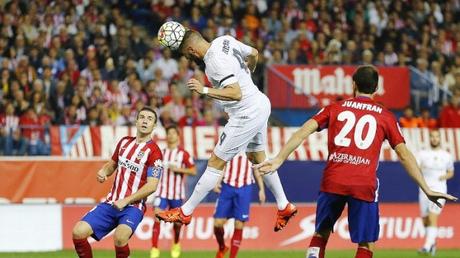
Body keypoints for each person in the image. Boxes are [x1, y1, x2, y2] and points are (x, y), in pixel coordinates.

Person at [256, 66, 457, 258]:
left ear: (353, 85)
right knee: (366, 244)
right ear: (376, 89)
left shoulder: (334, 108)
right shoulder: (386, 117)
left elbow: (303, 131)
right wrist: (426, 188)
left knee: (320, 234)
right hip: (363, 184)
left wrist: (279, 159)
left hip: (333, 181)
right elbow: (404, 154)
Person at [156, 25, 297, 232]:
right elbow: (254, 54)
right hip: (260, 102)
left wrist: (204, 89)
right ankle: (284, 206)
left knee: (216, 162)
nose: (188, 59)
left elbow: (235, 93)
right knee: (258, 158)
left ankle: (185, 212)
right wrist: (250, 69)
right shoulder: (225, 40)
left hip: (245, 112)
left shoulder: (213, 62)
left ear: (192, 51)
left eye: (187, 55)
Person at [72, 107, 163, 258]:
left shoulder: (155, 152)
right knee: (78, 232)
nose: (145, 121)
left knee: (120, 238)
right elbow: (112, 165)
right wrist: (103, 172)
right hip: (111, 203)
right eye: (142, 117)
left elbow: (152, 185)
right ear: (136, 121)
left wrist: (126, 200)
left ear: (154, 126)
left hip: (133, 207)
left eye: (149, 119)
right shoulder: (124, 142)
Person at [150, 125, 196, 258]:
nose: (170, 135)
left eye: (173, 133)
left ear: (178, 136)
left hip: (177, 193)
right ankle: (154, 249)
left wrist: (179, 170)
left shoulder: (183, 154)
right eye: (168, 133)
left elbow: (193, 170)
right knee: (157, 217)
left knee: (177, 222)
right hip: (162, 192)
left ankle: (176, 243)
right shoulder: (160, 153)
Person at [213, 153, 265, 258]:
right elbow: (223, 164)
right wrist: (217, 182)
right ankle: (222, 247)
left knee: (239, 223)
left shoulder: (251, 146)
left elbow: (256, 168)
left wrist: (261, 189)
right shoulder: (230, 141)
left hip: (245, 188)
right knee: (218, 223)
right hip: (227, 186)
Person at [417, 130, 455, 255]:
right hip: (424, 190)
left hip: (439, 190)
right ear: (429, 139)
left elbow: (451, 172)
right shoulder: (422, 154)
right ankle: (432, 243)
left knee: (433, 216)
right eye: (432, 137)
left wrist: (443, 177)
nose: (434, 139)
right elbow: (416, 168)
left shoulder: (446, 155)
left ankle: (427, 247)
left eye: (436, 137)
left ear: (440, 139)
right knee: (425, 220)